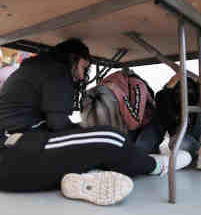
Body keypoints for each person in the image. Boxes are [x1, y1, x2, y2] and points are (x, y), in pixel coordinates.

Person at [0, 38, 190, 206]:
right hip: (13, 152)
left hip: (18, 167)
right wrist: (89, 134)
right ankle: (159, 166)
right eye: (83, 67)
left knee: (91, 140)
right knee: (110, 137)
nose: (82, 76)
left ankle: (82, 179)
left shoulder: (35, 69)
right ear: (72, 58)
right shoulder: (56, 70)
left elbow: (54, 129)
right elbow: (59, 126)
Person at [156, 74, 201, 170]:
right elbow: (164, 120)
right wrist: (170, 86)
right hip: (183, 136)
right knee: (178, 144)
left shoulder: (199, 89)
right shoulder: (165, 94)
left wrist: (193, 77)